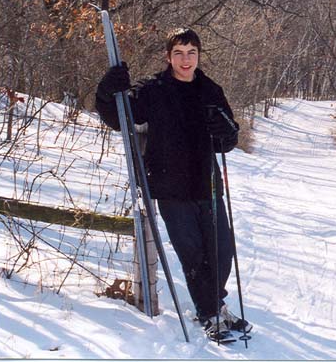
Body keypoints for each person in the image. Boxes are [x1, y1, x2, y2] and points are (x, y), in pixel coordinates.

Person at [95, 27, 249, 341]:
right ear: (169, 56)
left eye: (191, 52)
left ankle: (214, 306)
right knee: (192, 254)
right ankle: (210, 314)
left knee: (222, 251)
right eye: (178, 52)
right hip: (169, 187)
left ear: (199, 56)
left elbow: (228, 139)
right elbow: (117, 118)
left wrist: (227, 131)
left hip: (207, 184)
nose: (185, 59)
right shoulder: (154, 90)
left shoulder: (210, 90)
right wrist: (107, 90)